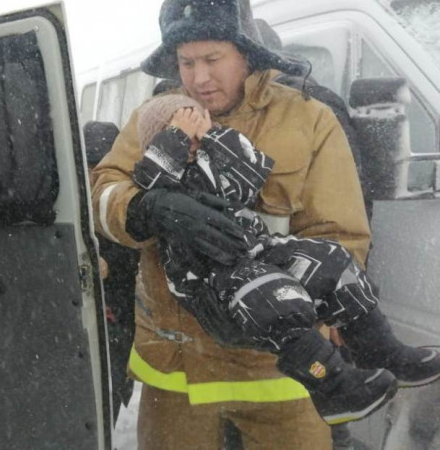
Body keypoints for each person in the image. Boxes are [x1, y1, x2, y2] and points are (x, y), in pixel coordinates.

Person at [89, 0, 371, 449]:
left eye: (212, 59)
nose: (199, 78)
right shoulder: (154, 117)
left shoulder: (309, 119)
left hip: (280, 373)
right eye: (187, 62)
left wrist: (271, 302)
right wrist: (147, 207)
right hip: (176, 371)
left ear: (246, 54)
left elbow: (340, 237)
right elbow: (103, 194)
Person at [132, 92, 440, 425]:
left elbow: (248, 177)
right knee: (270, 295)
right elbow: (150, 179)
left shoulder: (209, 164)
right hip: (209, 279)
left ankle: (381, 351)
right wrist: (176, 137)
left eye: (194, 127)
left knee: (330, 261)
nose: (190, 138)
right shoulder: (163, 184)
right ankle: (334, 388)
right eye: (178, 130)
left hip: (255, 252)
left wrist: (213, 136)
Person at [83, 121, 139, 425]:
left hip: (116, 329)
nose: (93, 175)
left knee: (104, 408)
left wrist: (110, 267)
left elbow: (141, 261)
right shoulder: (69, 204)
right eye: (89, 166)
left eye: (99, 166)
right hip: (82, 329)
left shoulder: (128, 205)